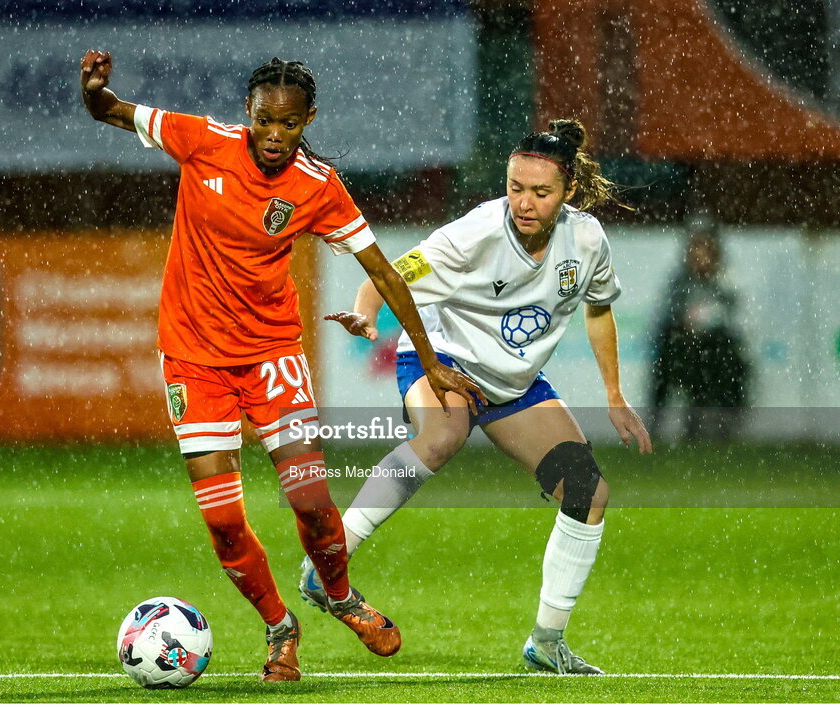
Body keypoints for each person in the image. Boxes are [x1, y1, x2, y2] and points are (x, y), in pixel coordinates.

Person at [79, 51, 481, 682]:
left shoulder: (317, 185)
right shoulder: (201, 140)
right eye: (265, 120)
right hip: (193, 359)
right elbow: (110, 112)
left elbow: (381, 268)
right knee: (223, 523)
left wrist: (429, 360)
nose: (274, 135)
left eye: (288, 125)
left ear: (307, 121)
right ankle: (279, 628)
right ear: (248, 112)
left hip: (271, 355)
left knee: (313, 502)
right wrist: (95, 89)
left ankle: (340, 595)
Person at [298, 119, 653, 674]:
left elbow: (600, 307)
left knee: (588, 491)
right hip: (444, 364)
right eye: (515, 187)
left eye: (541, 192)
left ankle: (547, 642)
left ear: (569, 193)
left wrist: (614, 393)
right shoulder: (476, 234)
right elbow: (386, 277)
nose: (524, 203)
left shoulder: (586, 241)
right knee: (443, 434)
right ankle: (325, 565)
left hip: (513, 387)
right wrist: (366, 316)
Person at [648, 226, 750, 441]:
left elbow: (734, 318)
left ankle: (722, 425)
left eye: (703, 250)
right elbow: (668, 313)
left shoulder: (725, 281)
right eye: (695, 250)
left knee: (725, 357)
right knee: (672, 353)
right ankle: (659, 427)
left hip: (715, 349)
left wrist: (706, 325)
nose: (698, 257)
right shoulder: (679, 281)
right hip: (685, 349)